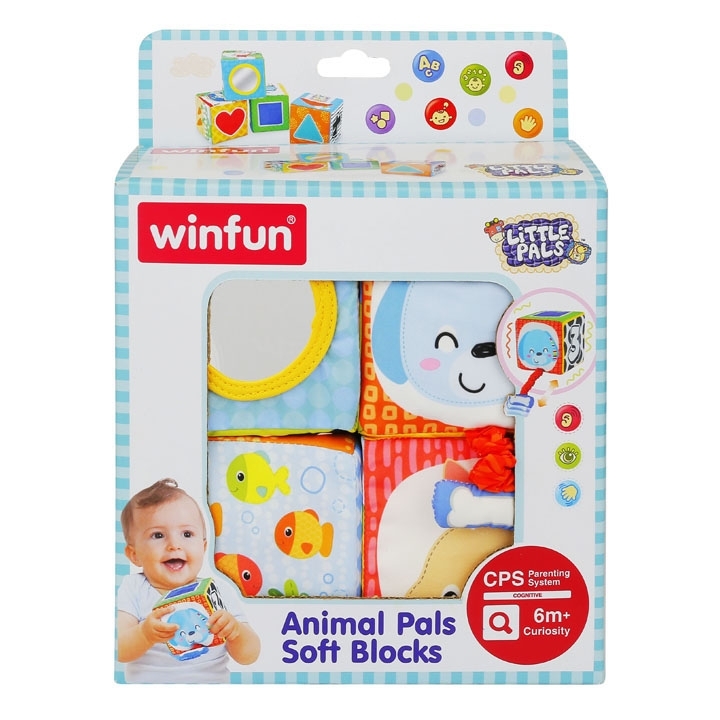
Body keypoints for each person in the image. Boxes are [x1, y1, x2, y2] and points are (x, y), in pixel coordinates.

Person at [117, 478, 261, 682]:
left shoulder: (217, 590)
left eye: (187, 533)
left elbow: (250, 655)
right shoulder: (134, 588)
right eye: (158, 535)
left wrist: (235, 631)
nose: (174, 545)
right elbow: (119, 650)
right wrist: (144, 634)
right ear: (134, 555)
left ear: (203, 547)